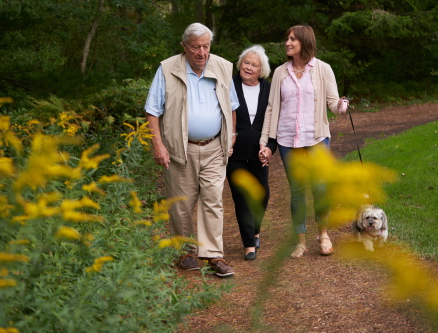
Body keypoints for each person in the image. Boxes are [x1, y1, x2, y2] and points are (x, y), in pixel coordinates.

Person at [144, 23, 239, 277]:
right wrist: (159, 145)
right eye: (196, 47)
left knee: (213, 201)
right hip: (179, 150)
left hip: (214, 148)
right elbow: (153, 111)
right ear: (184, 46)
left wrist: (231, 137)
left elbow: (231, 106)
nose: (202, 52)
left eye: (206, 46)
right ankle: (185, 253)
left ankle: (213, 255)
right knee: (181, 205)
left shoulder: (222, 67)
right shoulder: (167, 69)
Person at [259, 25, 348, 258]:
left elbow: (332, 102)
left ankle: (324, 233)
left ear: (304, 42)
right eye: (287, 39)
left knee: (319, 187)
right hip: (288, 140)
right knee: (297, 190)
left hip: (316, 137)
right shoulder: (280, 72)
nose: (287, 43)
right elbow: (271, 109)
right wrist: (265, 142)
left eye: (292, 39)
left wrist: (341, 106)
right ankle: (300, 241)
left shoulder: (323, 69)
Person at [226, 45, 271, 261]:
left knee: (262, 195)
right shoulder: (230, 85)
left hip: (260, 152)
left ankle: (256, 230)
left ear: (261, 70)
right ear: (240, 63)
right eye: (246, 62)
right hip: (234, 153)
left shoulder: (269, 89)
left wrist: (270, 147)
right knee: (242, 198)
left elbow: (275, 122)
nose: (249, 67)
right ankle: (249, 245)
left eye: (254, 65)